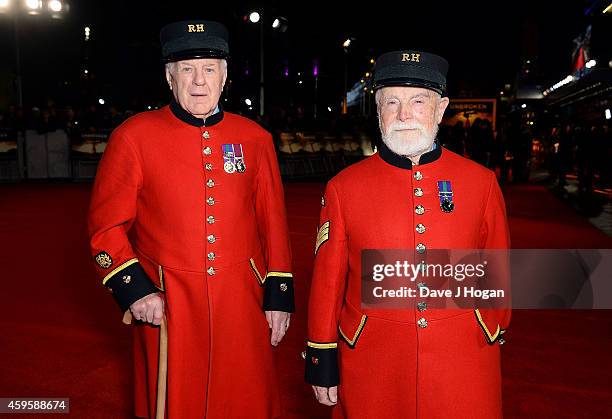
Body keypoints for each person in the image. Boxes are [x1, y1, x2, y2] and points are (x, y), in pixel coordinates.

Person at [88, 19, 294, 419]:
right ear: (169, 76)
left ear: (225, 76)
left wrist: (278, 295)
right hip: (168, 300)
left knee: (246, 397)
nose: (199, 81)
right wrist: (137, 291)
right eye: (187, 69)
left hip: (242, 301)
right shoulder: (133, 137)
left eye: (210, 69)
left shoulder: (255, 138)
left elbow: (273, 220)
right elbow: (105, 228)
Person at [305, 50, 511, 418]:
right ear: (377, 109)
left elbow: (496, 265)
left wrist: (490, 325)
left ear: (441, 107)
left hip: (461, 356)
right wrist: (321, 352)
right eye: (392, 102)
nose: (404, 115)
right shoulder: (344, 187)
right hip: (373, 358)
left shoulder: (480, 182)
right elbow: (328, 280)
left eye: (418, 101)